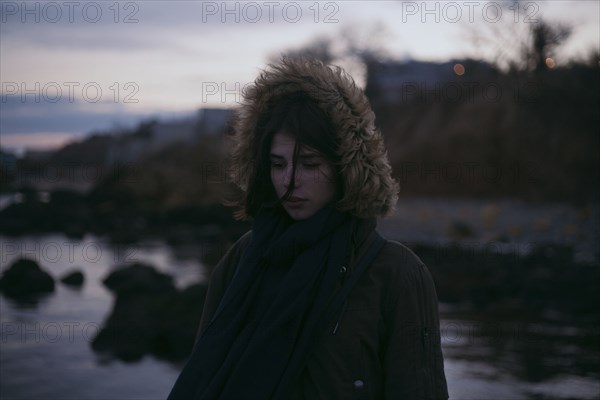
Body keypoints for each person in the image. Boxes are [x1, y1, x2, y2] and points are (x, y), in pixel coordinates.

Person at [168, 58, 448, 400]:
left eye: (309, 163)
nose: (289, 181)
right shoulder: (245, 257)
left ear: (347, 166)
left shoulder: (397, 274)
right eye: (277, 164)